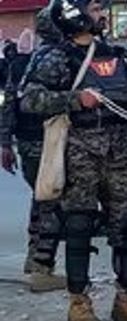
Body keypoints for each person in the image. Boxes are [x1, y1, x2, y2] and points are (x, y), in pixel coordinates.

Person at [21, 0, 127, 321]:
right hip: (78, 151)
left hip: (118, 152)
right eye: (96, 8)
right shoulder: (55, 57)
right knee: (79, 224)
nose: (102, 14)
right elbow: (30, 99)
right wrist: (75, 99)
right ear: (76, 15)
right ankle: (79, 301)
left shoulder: (116, 56)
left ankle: (126, 299)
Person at [1, 22, 66, 292]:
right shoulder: (58, 60)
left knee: (42, 198)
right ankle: (40, 265)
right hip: (46, 140)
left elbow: (7, 102)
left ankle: (35, 260)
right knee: (50, 201)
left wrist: (5, 142)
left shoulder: (20, 65)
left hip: (29, 142)